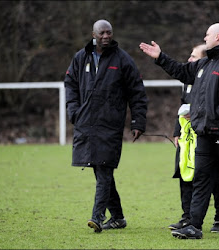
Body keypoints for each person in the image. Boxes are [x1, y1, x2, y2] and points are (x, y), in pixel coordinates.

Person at [140, 23, 219, 239]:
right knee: (201, 178)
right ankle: (194, 226)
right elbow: (181, 71)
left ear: (218, 37)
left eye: (208, 34)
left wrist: (214, 114)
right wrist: (160, 57)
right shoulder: (204, 64)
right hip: (204, 132)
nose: (205, 36)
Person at [64, 19, 147, 233]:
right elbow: (70, 84)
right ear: (93, 34)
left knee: (104, 170)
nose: (106, 36)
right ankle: (118, 218)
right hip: (86, 124)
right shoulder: (80, 58)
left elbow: (137, 92)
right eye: (102, 33)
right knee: (101, 170)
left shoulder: (123, 60)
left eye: (109, 32)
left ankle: (97, 217)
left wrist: (138, 121)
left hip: (110, 126)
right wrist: (73, 110)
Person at [169, 44, 219, 234]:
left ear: (204, 60)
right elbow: (182, 105)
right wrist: (177, 131)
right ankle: (187, 217)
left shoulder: (212, 79)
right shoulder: (188, 79)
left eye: (193, 57)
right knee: (185, 173)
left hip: (207, 134)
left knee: (217, 178)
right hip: (187, 136)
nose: (189, 59)